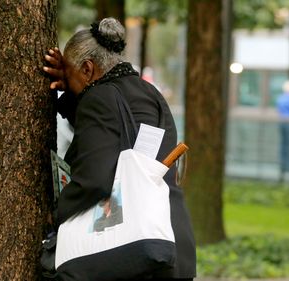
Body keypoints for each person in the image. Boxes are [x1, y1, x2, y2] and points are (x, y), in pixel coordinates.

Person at [43, 18, 196, 280]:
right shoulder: (150, 93)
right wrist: (71, 92)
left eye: (69, 75)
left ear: (88, 69)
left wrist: (54, 214)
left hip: (126, 253)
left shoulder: (99, 99)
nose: (67, 82)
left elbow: (94, 180)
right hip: (168, 242)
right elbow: (115, 134)